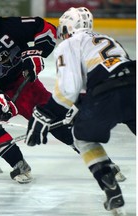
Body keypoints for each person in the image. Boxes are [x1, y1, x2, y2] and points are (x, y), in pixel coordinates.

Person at [25, 7, 135, 214]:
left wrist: (46, 113)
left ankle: (108, 182)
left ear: (67, 27)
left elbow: (69, 89)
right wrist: (80, 107)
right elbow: (103, 75)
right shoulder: (106, 38)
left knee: (81, 138)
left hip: (108, 92)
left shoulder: (69, 43)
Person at [0, 3, 76, 184]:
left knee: (55, 121)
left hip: (24, 82)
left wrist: (37, 53)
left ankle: (98, 159)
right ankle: (18, 163)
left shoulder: (10, 26)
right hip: (0, 91)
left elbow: (45, 27)